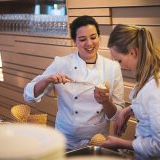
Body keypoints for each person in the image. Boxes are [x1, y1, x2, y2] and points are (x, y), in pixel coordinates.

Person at [23, 15, 125, 150]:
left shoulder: (112, 68)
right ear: (74, 41)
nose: (89, 43)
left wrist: (105, 101)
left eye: (93, 37)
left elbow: (117, 115)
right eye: (82, 39)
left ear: (99, 38)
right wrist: (47, 80)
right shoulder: (61, 63)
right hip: (65, 141)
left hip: (98, 140)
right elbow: (29, 96)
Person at [100, 24, 160, 160]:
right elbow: (156, 105)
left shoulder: (158, 89)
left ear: (133, 52)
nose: (121, 66)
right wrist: (128, 110)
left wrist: (120, 143)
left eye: (120, 60)